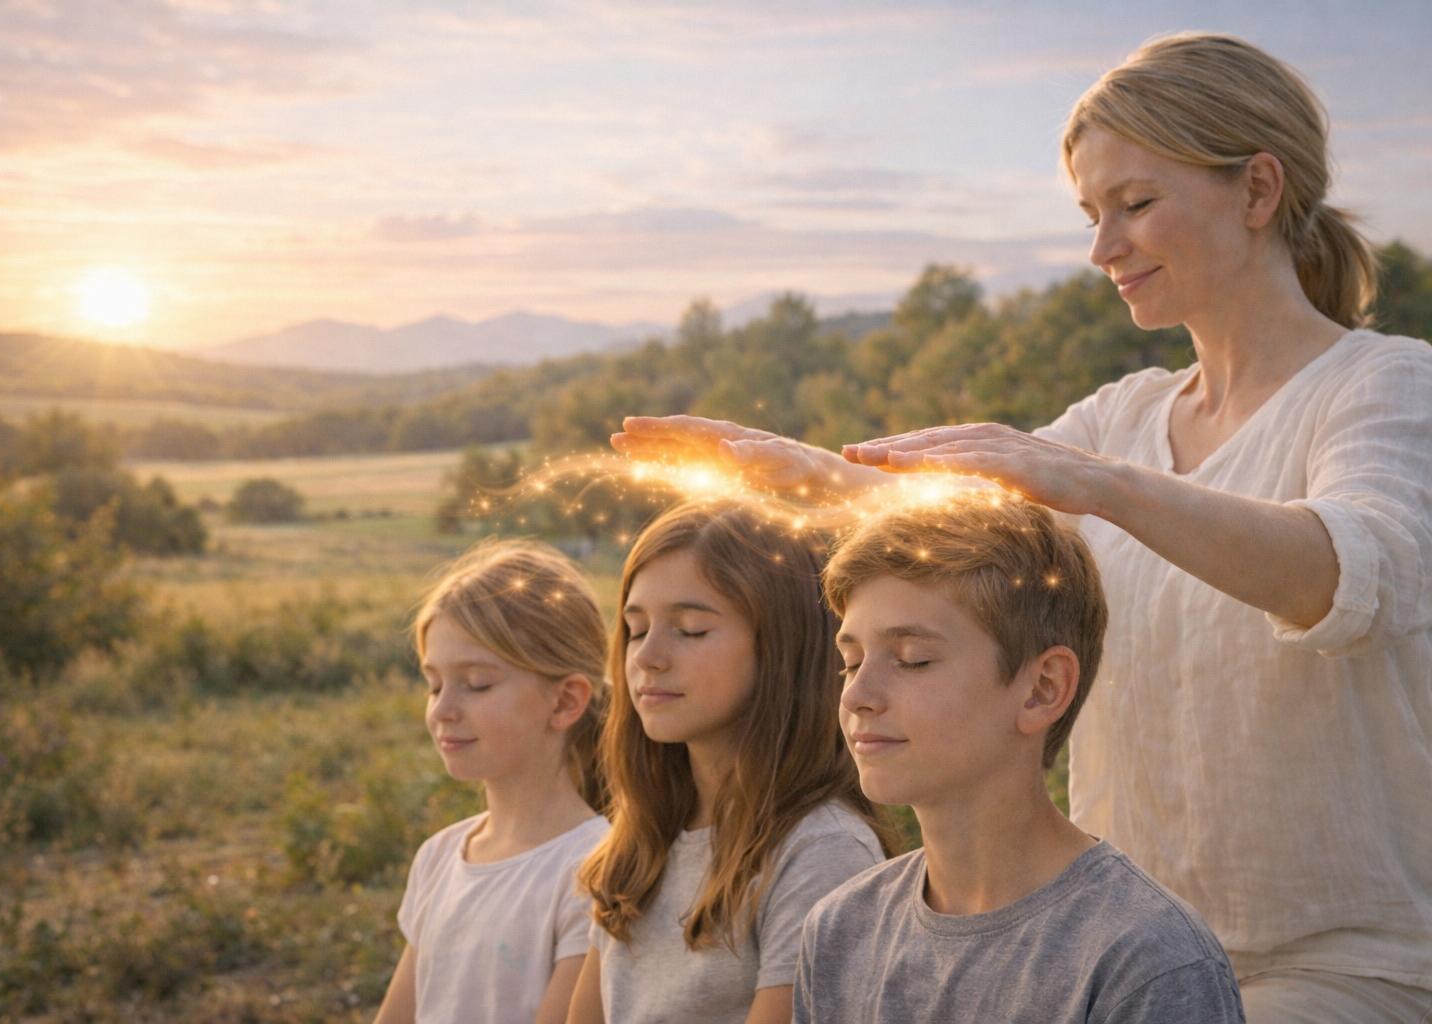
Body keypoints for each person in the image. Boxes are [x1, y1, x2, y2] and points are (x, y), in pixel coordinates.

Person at [614, 33, 1432, 1022]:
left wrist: (1100, 485)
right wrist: (808, 475)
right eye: (1092, 215)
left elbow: (1349, 574)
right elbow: (960, 534)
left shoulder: (1386, 387)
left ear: (1257, 190)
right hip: (1103, 952)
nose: (1103, 248)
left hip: (1335, 971)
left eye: (1136, 204)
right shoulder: (1123, 418)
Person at [796, 494, 1244, 1022]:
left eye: (912, 660)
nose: (857, 695)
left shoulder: (1145, 960)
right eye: (850, 662)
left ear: (1042, 689)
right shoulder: (840, 931)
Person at [565, 500, 895, 1024]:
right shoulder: (640, 844)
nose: (647, 656)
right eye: (636, 629)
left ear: (783, 645)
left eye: (691, 629)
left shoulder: (822, 852)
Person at [375, 540, 610, 1024]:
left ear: (565, 701)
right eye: (434, 684)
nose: (443, 709)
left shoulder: (596, 871)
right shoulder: (439, 857)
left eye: (477, 683)